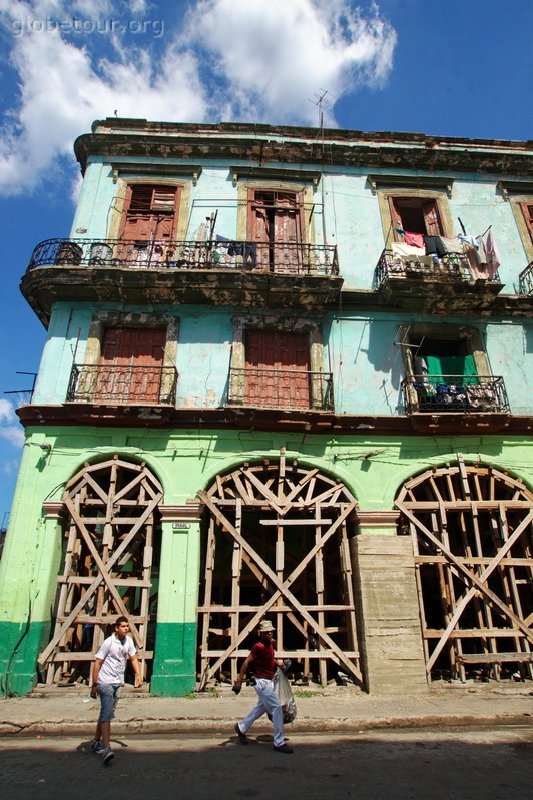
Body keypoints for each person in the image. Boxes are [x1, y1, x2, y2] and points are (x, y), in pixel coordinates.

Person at [232, 619, 293, 754]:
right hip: (261, 683)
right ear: (260, 633)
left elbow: (270, 659)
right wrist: (238, 681)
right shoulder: (258, 647)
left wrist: (279, 664)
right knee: (277, 708)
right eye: (266, 633)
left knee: (260, 708)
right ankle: (279, 742)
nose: (269, 635)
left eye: (271, 632)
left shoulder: (270, 645)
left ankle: (241, 728)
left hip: (268, 682)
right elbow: (246, 662)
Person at [89, 616, 142, 764]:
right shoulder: (108, 643)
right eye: (123, 626)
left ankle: (95, 742)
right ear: (116, 628)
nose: (126, 628)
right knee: (107, 714)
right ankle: (107, 748)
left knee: (107, 712)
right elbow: (97, 662)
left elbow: (133, 658)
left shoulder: (128, 641)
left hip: (118, 682)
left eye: (127, 626)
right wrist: (94, 684)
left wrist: (138, 674)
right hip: (105, 682)